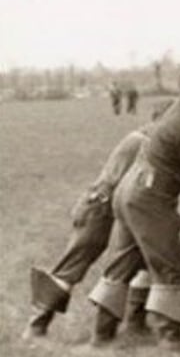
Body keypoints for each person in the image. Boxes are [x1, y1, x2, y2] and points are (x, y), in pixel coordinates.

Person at [87, 67, 180, 350]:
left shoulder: (176, 115)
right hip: (150, 199)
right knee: (169, 265)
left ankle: (102, 334)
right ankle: (169, 336)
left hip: (129, 193)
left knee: (123, 262)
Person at [22, 116, 161, 339]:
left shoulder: (139, 137)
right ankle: (36, 324)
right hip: (100, 206)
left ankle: (136, 321)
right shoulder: (143, 141)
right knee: (72, 267)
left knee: (140, 259)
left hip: (107, 203)